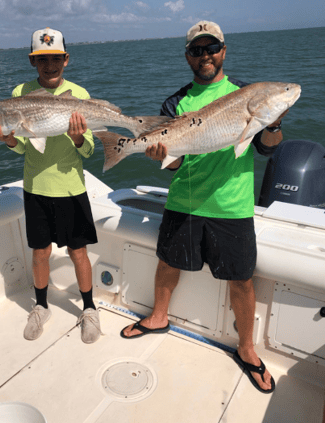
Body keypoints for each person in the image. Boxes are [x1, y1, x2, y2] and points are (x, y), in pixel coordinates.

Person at [121, 20, 287, 394]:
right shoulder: (175, 103)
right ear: (188, 57)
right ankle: (158, 317)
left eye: (211, 48)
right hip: (186, 202)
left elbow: (267, 147)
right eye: (197, 50)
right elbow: (177, 162)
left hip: (233, 206)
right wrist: (162, 155)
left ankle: (246, 348)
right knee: (167, 263)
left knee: (242, 280)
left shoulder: (246, 95)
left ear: (224, 51)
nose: (205, 55)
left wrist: (273, 123)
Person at [0, 27, 101, 344]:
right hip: (35, 188)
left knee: (79, 251)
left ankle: (89, 309)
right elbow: (24, 146)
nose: (49, 65)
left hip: (71, 188)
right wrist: (9, 138)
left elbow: (89, 150)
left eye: (55, 58)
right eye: (42, 59)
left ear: (66, 60)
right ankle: (41, 306)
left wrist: (78, 136)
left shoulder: (80, 95)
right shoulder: (19, 92)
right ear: (32, 62)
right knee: (40, 253)